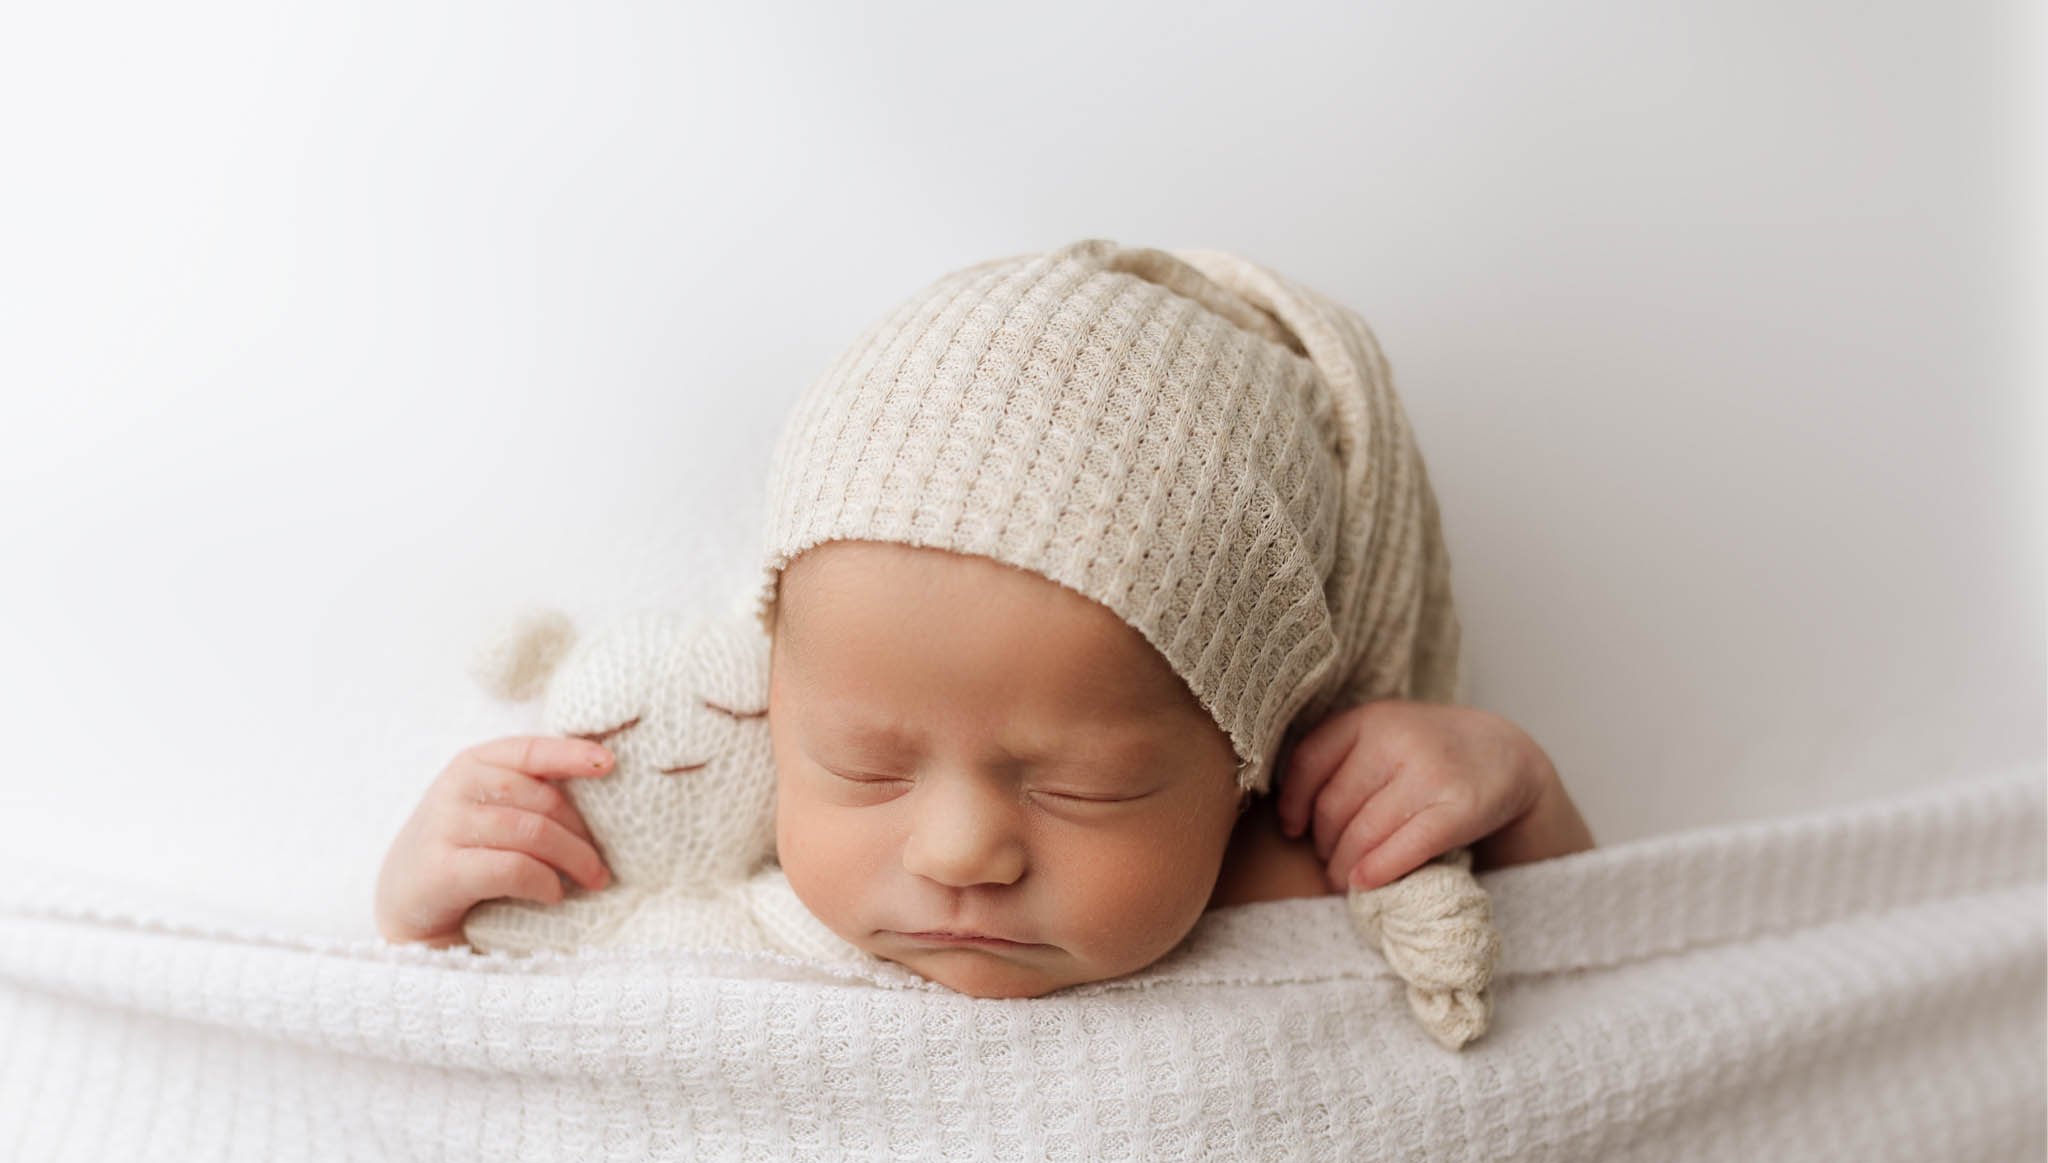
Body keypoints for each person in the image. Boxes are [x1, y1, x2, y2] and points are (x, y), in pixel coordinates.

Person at [376, 238, 1594, 1003]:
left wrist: (1519, 804)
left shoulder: (1309, 875)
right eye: (859, 762)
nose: (957, 852)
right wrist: (430, 916)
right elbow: (507, 1098)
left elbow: (1614, 1032)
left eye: (1085, 783)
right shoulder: (740, 931)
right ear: (776, 706)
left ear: (1252, 749)